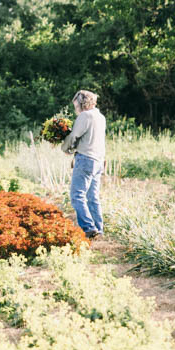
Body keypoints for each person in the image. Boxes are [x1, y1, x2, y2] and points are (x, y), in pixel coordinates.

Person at [61, 89, 106, 238]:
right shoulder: (100, 117)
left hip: (86, 158)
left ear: (82, 103)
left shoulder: (85, 116)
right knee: (93, 197)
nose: (76, 110)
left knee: (77, 195)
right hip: (98, 160)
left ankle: (88, 228)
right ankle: (98, 228)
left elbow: (74, 135)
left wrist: (66, 148)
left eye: (76, 106)